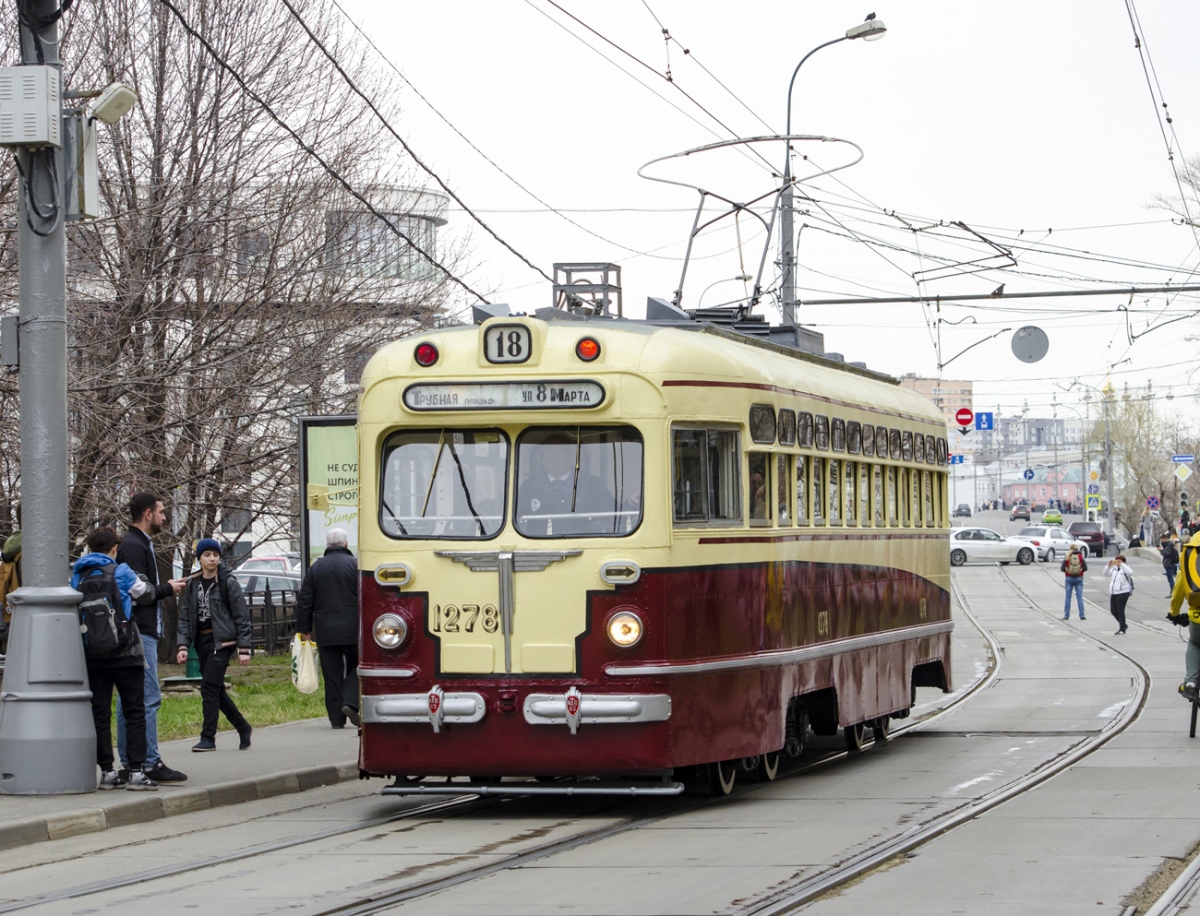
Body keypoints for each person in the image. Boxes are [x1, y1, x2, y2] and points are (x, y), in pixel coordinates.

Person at [71, 527, 159, 790]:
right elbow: (144, 592)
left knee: (100, 713)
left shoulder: (77, 575)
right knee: (134, 711)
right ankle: (135, 772)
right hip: (125, 652)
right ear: (114, 548)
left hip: (93, 656)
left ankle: (107, 772)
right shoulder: (120, 571)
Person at [116, 492, 188, 783]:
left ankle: (130, 761)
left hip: (136, 630)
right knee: (147, 698)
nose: (164, 517)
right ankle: (148, 761)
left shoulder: (135, 543)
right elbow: (141, 593)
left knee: (129, 701)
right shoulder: (134, 546)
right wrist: (168, 588)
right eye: (161, 511)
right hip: (139, 631)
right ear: (147, 513)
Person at [175, 538, 252, 751]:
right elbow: (185, 617)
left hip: (223, 642)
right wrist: (183, 646)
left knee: (208, 687)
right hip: (203, 641)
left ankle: (208, 738)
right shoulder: (193, 584)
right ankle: (243, 726)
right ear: (199, 558)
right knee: (215, 688)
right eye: (207, 555)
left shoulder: (228, 582)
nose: (212, 559)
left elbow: (241, 617)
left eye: (215, 555)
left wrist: (244, 649)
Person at [295, 528, 360, 728]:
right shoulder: (356, 565)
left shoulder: (316, 568)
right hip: (354, 629)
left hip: (326, 630)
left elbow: (305, 600)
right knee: (358, 667)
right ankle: (349, 701)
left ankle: (336, 719)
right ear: (346, 544)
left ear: (328, 545)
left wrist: (304, 629)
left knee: (331, 674)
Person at [1168, 531, 1200, 700]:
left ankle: (1191, 683)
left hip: (1197, 614)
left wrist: (1173, 613)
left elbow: (1179, 589)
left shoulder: (1190, 551)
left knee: (1195, 643)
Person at [1105, 554, 1134, 635]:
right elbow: (1105, 574)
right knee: (1113, 610)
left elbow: (1130, 572)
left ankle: (1122, 629)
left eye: (1119, 561)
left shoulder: (1125, 569)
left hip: (1123, 592)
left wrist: (1122, 564)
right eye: (1116, 560)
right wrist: (1108, 566)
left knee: (1120, 610)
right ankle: (1124, 625)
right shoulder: (1114, 569)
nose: (1117, 562)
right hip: (1114, 592)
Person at [1061, 544, 1088, 620]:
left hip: (1069, 578)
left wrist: (1068, 570)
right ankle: (1082, 615)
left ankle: (1066, 615)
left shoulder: (1067, 556)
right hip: (1079, 578)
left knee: (1068, 597)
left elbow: (1062, 569)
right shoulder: (1080, 556)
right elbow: (1085, 568)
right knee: (1079, 597)